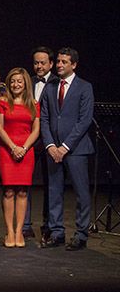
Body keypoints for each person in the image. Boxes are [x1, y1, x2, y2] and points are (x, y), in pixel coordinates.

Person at [40, 47, 94, 251]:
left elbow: (85, 120)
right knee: (54, 192)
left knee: (81, 193)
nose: (60, 65)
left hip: (76, 149)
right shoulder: (51, 86)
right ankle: (57, 232)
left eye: (64, 62)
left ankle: (81, 234)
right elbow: (44, 118)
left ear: (74, 65)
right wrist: (51, 145)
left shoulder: (84, 87)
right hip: (53, 150)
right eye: (59, 61)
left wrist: (65, 146)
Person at [0, 68, 40, 248]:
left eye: (19, 81)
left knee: (22, 192)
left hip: (26, 150)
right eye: (13, 81)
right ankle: (10, 231)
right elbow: (0, 128)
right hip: (7, 150)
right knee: (8, 191)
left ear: (25, 84)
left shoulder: (33, 103)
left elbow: (36, 130)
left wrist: (24, 147)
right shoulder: (3, 102)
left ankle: (20, 230)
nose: (16, 84)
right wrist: (13, 147)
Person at [25, 46, 55, 241]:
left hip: (50, 140)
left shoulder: (56, 83)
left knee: (51, 184)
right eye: (36, 62)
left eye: (43, 62)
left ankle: (48, 224)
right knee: (25, 182)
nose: (39, 66)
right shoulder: (29, 82)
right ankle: (25, 225)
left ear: (51, 64)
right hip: (30, 140)